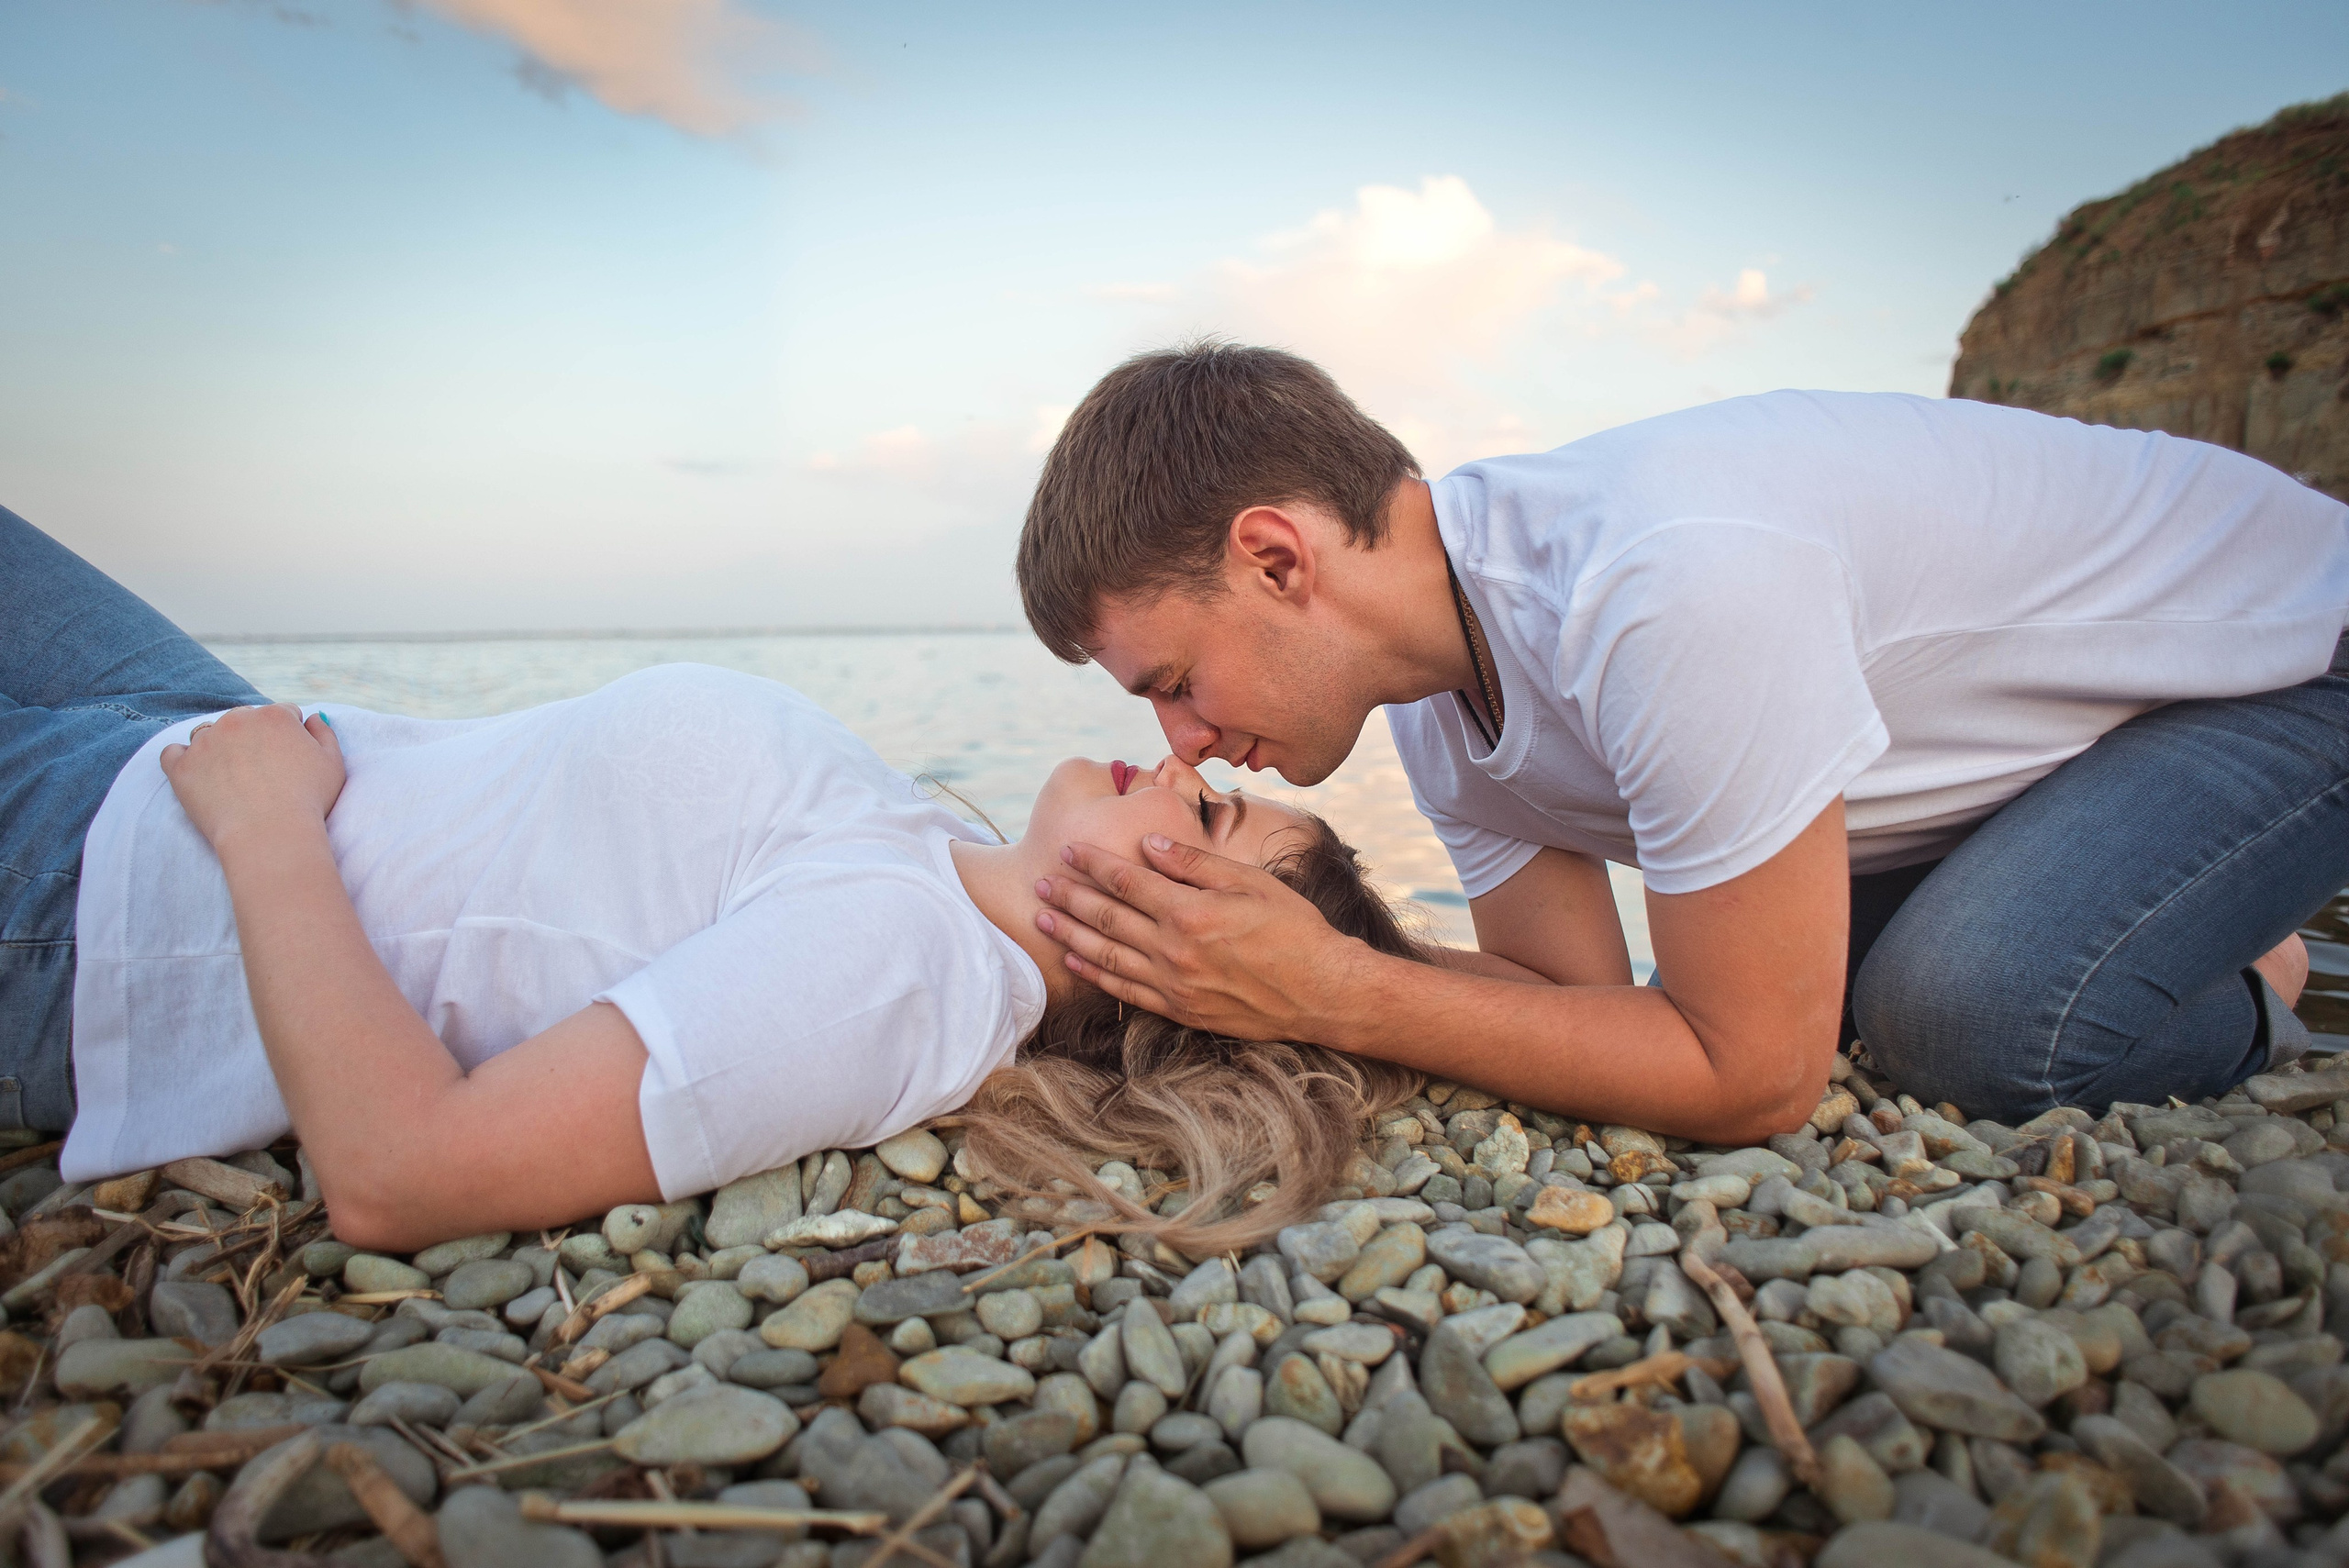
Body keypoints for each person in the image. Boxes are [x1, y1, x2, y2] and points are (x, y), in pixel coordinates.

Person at [1015, 342, 2349, 1140]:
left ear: (1274, 556)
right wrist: (1287, 951)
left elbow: (1756, 1078)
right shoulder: (1430, 695)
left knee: (1958, 1018)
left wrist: (1330, 992)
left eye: (1175, 679)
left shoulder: (1665, 584)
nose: (1178, 744)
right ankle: (2163, 905)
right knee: (1814, 984)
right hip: (2062, 753)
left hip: (2287, 660)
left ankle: (2261, 988)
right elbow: (1573, 1007)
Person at [0, 507, 1421, 1252]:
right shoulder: (930, 859)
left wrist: (265, 829)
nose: (1175, 767)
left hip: (105, 900)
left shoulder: (899, 972)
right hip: (205, 734)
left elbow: (401, 1173)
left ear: (1175, 972)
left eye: (1210, 829)